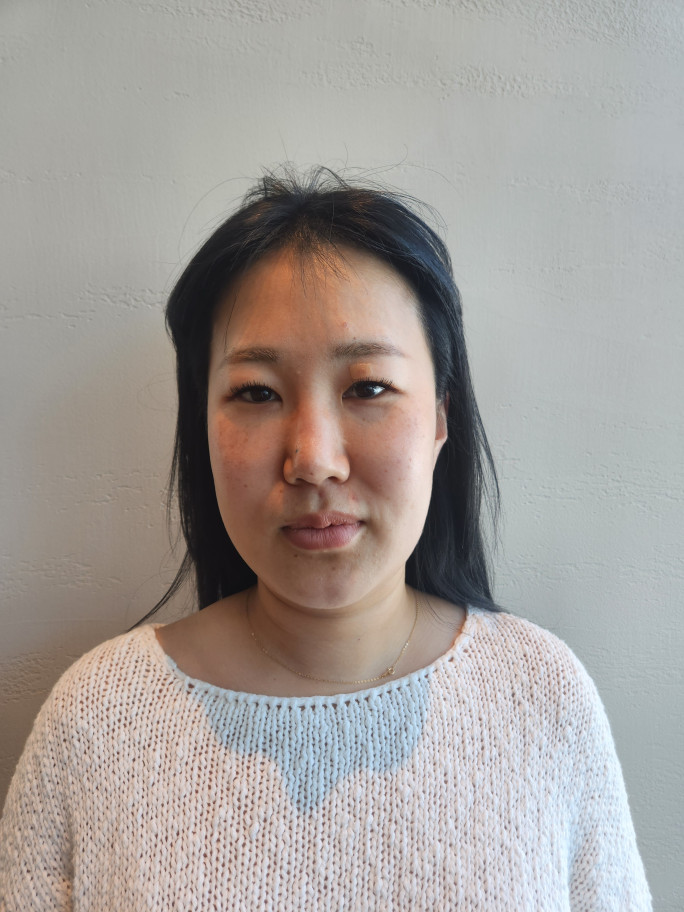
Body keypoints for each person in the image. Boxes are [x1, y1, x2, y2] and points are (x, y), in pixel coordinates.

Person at [0, 169, 651, 910]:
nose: (313, 459)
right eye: (257, 392)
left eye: (368, 388)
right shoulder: (98, 721)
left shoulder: (541, 697)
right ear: (201, 426)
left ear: (441, 417)